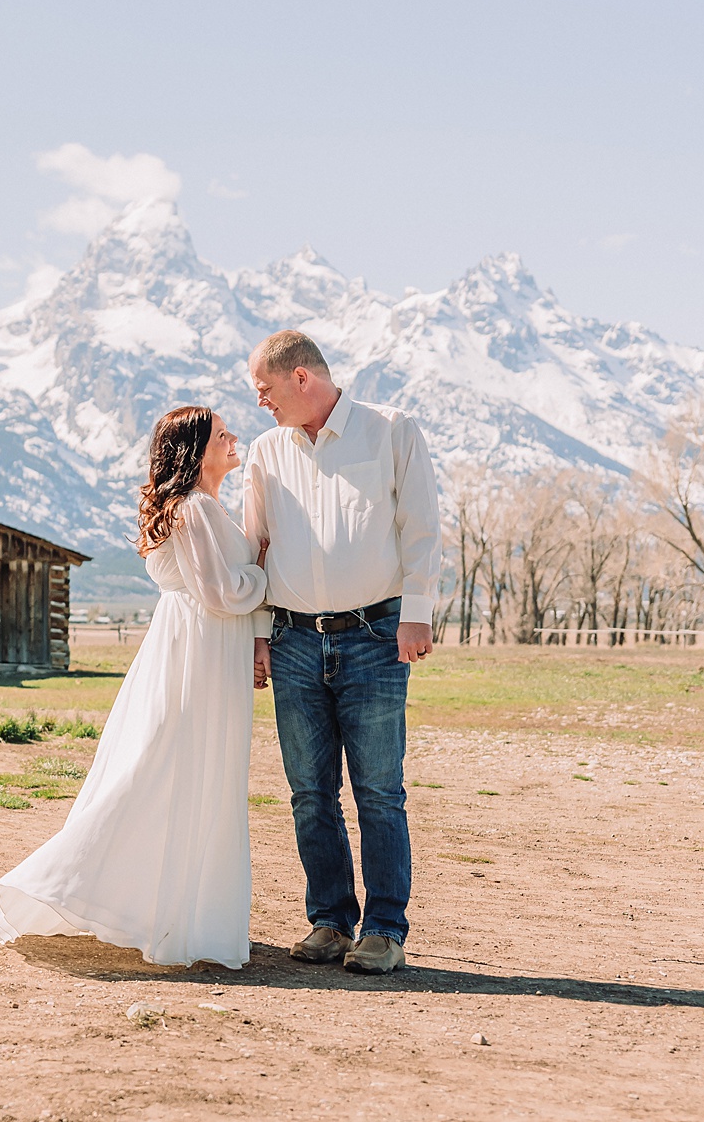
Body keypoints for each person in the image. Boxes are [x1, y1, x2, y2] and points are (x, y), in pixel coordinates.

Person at [0, 406, 268, 968]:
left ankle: (175, 908)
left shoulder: (206, 507)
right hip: (199, 649)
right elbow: (217, 590)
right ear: (197, 450)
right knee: (173, 767)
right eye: (222, 434)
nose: (234, 439)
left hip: (201, 647)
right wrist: (263, 572)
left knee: (189, 770)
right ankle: (88, 885)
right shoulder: (196, 507)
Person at [245, 329, 440, 975]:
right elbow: (257, 548)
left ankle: (384, 928)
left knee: (380, 789)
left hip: (376, 636)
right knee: (310, 791)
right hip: (297, 639)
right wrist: (260, 635)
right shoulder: (267, 453)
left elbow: (422, 526)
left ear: (302, 379)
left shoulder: (390, 430)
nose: (262, 404)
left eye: (266, 390)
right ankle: (330, 918)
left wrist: (416, 614)